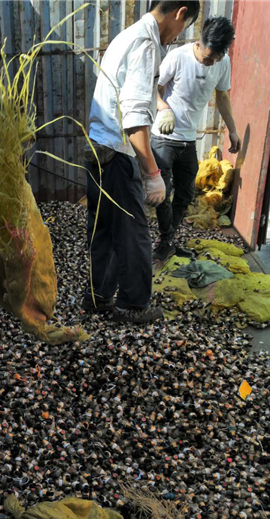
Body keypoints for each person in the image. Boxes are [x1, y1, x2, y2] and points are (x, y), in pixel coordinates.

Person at [83, 0, 200, 324]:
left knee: (103, 229)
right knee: (134, 232)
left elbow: (135, 96)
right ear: (180, 13)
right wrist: (152, 172)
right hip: (117, 154)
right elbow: (134, 121)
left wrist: (160, 106)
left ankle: (98, 297)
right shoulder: (146, 43)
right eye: (184, 27)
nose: (179, 36)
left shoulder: (128, 36)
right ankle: (133, 305)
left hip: (97, 149)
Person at [151, 16, 240, 261]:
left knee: (186, 194)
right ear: (199, 44)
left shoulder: (223, 62)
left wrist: (232, 129)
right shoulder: (177, 57)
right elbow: (152, 89)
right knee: (161, 194)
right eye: (207, 58)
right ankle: (165, 239)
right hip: (164, 138)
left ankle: (166, 241)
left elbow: (222, 97)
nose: (210, 63)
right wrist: (163, 109)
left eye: (216, 59)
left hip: (189, 140)